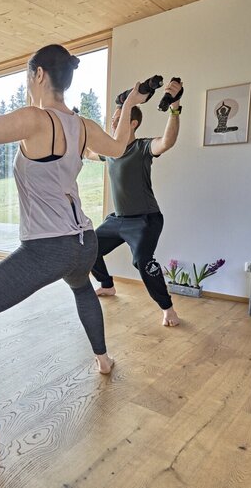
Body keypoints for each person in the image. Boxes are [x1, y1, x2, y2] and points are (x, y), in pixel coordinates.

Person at [0, 36, 146, 452]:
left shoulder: (36, 119)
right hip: (85, 241)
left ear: (40, 75)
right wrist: (132, 102)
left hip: (49, 248)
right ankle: (103, 358)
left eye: (29, 76)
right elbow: (120, 147)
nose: (29, 83)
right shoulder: (82, 126)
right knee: (83, 288)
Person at [87, 78, 184, 327]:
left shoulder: (142, 147)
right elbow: (86, 152)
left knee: (143, 261)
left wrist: (175, 107)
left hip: (145, 219)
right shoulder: (109, 151)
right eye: (112, 119)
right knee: (89, 248)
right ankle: (107, 285)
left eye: (118, 120)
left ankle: (167, 308)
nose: (112, 123)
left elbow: (167, 142)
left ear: (133, 123)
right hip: (118, 219)